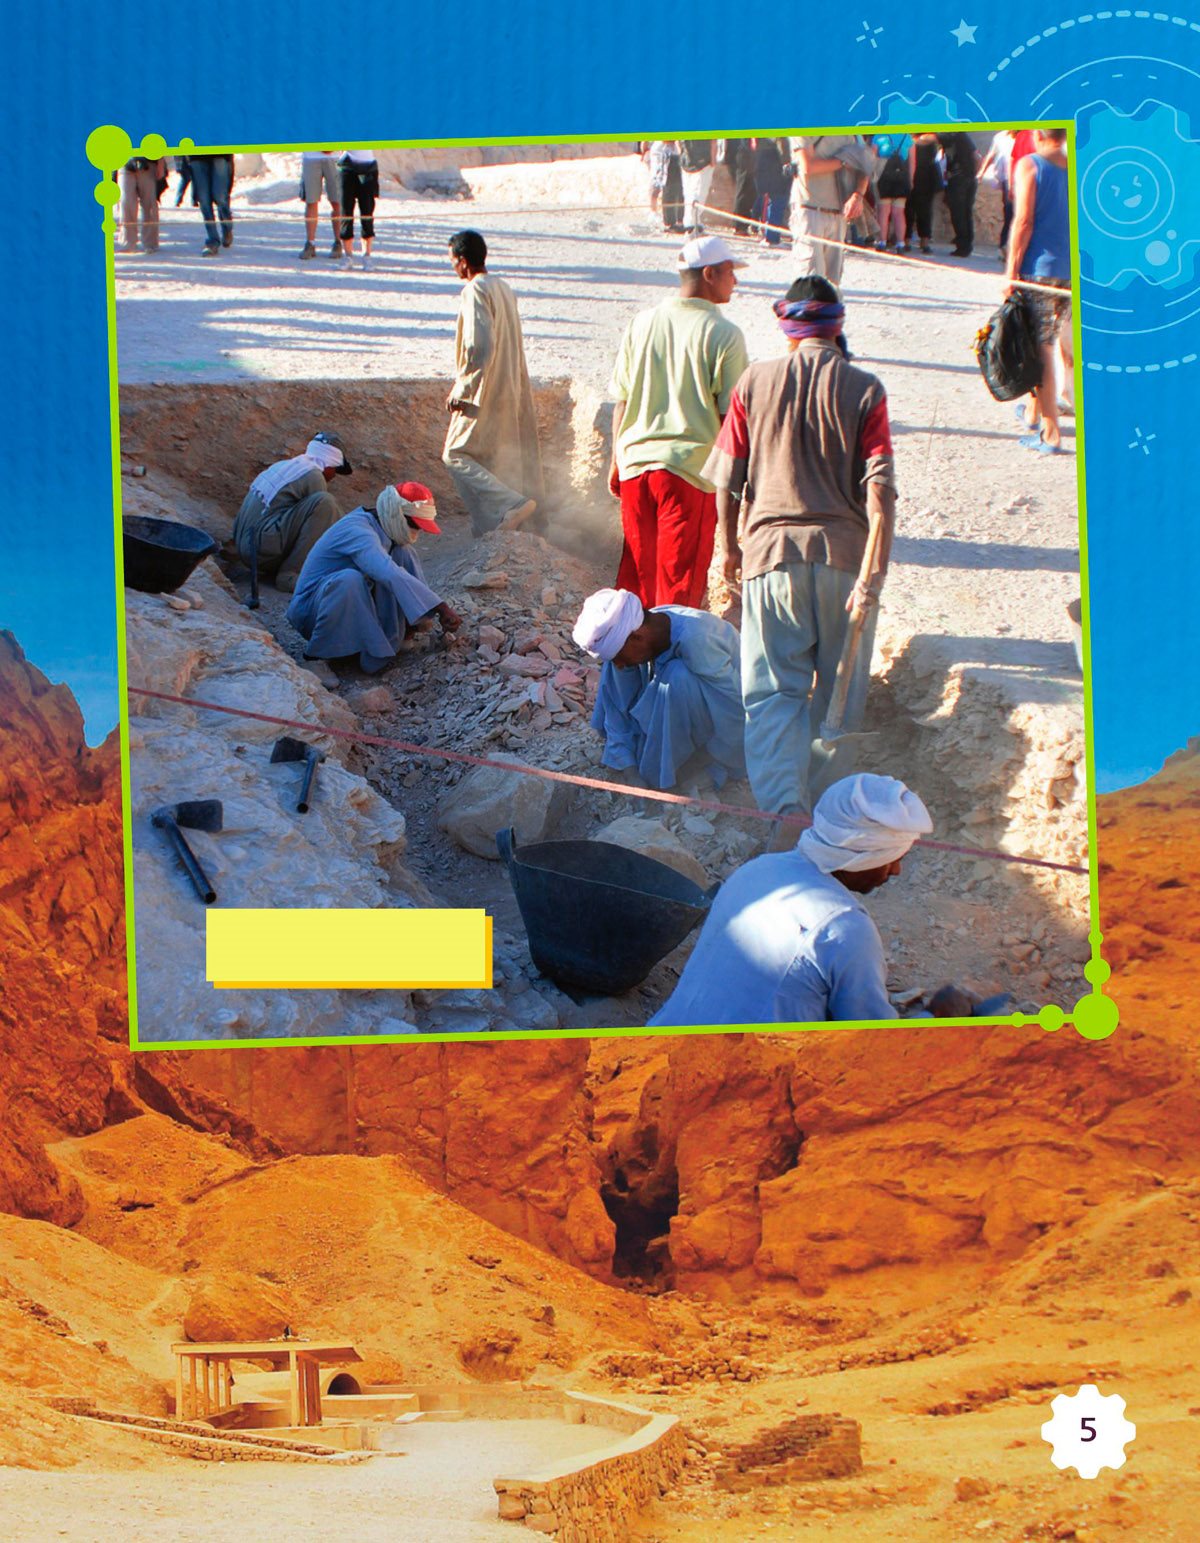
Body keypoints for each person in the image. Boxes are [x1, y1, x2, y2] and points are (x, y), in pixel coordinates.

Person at [706, 275, 895, 820]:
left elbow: (727, 480)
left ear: (788, 329)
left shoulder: (752, 384)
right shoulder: (865, 389)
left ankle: (786, 812)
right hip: (844, 563)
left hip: (770, 559)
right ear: (837, 326)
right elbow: (880, 493)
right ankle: (837, 818)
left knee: (772, 695)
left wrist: (729, 550)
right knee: (840, 700)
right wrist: (871, 578)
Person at [648, 774, 933, 1026]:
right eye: (892, 859)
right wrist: (936, 1015)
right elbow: (873, 1043)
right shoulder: (845, 926)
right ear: (861, 855)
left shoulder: (757, 869)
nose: (896, 870)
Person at [609, 235, 750, 610]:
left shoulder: (641, 323)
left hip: (635, 468)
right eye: (730, 273)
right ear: (709, 274)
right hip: (689, 474)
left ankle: (630, 666)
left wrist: (615, 461)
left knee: (637, 584)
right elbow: (731, 421)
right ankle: (669, 668)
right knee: (679, 593)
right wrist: (738, 486)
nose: (735, 281)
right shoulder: (725, 335)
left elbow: (622, 400)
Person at [573, 587, 746, 791]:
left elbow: (735, 710)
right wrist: (630, 772)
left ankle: (699, 764)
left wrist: (722, 768)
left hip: (723, 722)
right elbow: (616, 706)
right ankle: (643, 756)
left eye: (620, 656)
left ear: (637, 637)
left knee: (677, 675)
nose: (620, 664)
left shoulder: (698, 640)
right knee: (615, 669)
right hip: (675, 710)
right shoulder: (642, 632)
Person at [287, 483, 462, 673]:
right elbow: (385, 571)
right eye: (413, 525)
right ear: (396, 513)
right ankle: (316, 658)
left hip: (349, 609)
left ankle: (408, 629)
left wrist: (423, 615)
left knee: (404, 553)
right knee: (349, 580)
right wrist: (440, 606)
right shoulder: (358, 530)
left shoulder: (385, 532)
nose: (415, 533)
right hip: (311, 611)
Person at [442, 229, 544, 535]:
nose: (452, 267)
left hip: (483, 393)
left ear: (462, 261)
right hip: (509, 390)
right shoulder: (502, 286)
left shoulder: (475, 290)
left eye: (451, 260)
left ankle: (510, 506)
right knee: (493, 461)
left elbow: (479, 347)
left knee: (455, 454)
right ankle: (497, 530)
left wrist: (462, 389)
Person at [1006, 128, 1073, 455]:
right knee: (1050, 338)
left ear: (1038, 133)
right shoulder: (1076, 165)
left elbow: (1023, 222)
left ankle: (1051, 432)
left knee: (1041, 347)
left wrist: (1010, 271)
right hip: (1070, 270)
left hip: (1039, 270)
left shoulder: (1030, 165)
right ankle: (1033, 413)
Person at [233, 431, 353, 595]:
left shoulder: (286, 465)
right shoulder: (314, 476)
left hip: (245, 548)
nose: (333, 476)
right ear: (329, 464)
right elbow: (320, 526)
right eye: (335, 470)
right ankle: (290, 575)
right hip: (258, 551)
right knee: (326, 504)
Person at [787, 136, 874, 287]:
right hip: (810, 209)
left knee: (833, 285)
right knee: (811, 282)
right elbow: (808, 166)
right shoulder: (803, 122)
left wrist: (858, 194)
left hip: (839, 212)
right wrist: (844, 162)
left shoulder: (850, 126)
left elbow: (865, 163)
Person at [871, 132, 916, 251]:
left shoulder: (879, 136)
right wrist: (910, 179)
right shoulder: (907, 137)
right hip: (901, 176)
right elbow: (912, 161)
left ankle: (882, 242)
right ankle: (900, 243)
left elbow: (872, 159)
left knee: (883, 212)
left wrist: (872, 178)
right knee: (899, 212)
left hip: (883, 177)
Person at [939, 132, 980, 257]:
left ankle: (963, 246)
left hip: (958, 179)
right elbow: (977, 157)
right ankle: (966, 243)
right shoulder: (963, 137)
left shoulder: (952, 136)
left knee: (958, 214)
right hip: (968, 178)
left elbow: (977, 157)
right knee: (966, 212)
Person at [119, 153, 168, 253]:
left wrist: (161, 162)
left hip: (149, 161)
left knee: (149, 204)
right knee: (126, 203)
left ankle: (150, 243)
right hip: (123, 160)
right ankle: (128, 241)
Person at [298, 150, 343, 260]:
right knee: (311, 201)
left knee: (337, 201)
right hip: (311, 156)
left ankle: (338, 242)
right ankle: (310, 243)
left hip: (334, 157)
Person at [339, 149, 379, 269]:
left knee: (367, 211)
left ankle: (367, 256)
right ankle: (348, 256)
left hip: (368, 165)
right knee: (346, 211)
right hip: (347, 165)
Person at [979, 128, 1015, 259]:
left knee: (1016, 215)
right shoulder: (999, 137)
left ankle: (1008, 248)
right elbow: (991, 155)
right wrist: (981, 172)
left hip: (1020, 178)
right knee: (1009, 214)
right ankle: (1004, 247)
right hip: (1007, 179)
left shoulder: (1025, 136)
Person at [191, 153, 234, 257]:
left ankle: (227, 227)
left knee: (220, 196)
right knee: (204, 200)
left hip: (220, 152)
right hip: (196, 154)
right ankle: (212, 240)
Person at [905, 133, 942, 253]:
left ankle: (922, 241)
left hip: (924, 177)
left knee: (922, 210)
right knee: (909, 210)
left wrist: (912, 139)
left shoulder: (928, 136)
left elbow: (933, 137)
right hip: (914, 176)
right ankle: (908, 240)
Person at [753, 137, 791, 247]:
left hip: (765, 163)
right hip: (775, 167)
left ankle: (768, 235)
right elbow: (783, 149)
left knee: (771, 202)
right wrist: (788, 163)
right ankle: (772, 238)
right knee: (777, 202)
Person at [677, 139, 714, 234]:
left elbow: (677, 141)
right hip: (703, 160)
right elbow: (713, 141)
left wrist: (681, 154)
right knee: (699, 193)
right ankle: (692, 224)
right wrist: (713, 160)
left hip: (686, 160)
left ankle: (690, 222)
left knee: (688, 193)